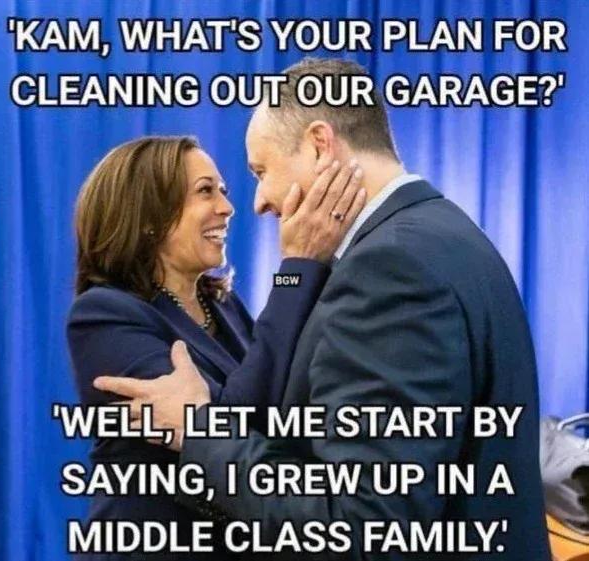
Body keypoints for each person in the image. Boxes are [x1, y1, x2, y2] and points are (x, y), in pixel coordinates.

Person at [95, 58, 552, 560]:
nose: (258, 202)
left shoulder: (389, 268)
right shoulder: (444, 232)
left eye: (261, 172)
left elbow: (362, 528)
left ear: (319, 144)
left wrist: (199, 432)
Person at [66, 134, 365, 559]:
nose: (227, 207)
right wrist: (296, 266)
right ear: (149, 215)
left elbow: (262, 410)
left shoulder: (222, 304)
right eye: (205, 191)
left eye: (222, 191)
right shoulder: (104, 315)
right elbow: (226, 428)